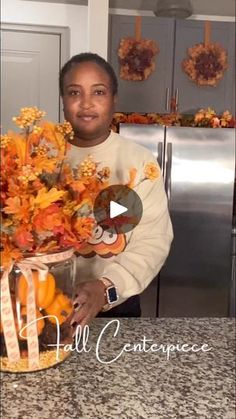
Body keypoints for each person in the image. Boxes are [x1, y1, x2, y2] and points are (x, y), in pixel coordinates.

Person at [59, 52, 173, 329]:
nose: (86, 103)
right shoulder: (41, 157)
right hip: (44, 302)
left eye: (98, 91)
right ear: (63, 100)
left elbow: (153, 240)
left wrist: (105, 288)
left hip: (116, 305)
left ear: (114, 99)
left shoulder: (139, 162)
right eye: (75, 92)